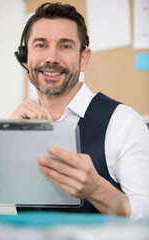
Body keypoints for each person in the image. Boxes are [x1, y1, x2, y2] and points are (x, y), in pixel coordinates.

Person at [11, 2, 149, 220]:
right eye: (41, 45)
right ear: (25, 58)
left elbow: (147, 212)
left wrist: (97, 190)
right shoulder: (16, 124)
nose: (52, 58)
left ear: (83, 58)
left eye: (65, 46)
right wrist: (5, 143)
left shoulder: (123, 122)